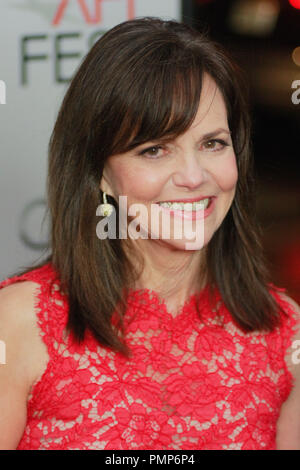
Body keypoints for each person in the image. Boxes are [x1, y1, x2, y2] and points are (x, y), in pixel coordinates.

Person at [0, 16, 299, 451]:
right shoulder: (17, 326)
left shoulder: (285, 334)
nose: (194, 177)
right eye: (155, 150)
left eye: (212, 143)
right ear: (99, 171)